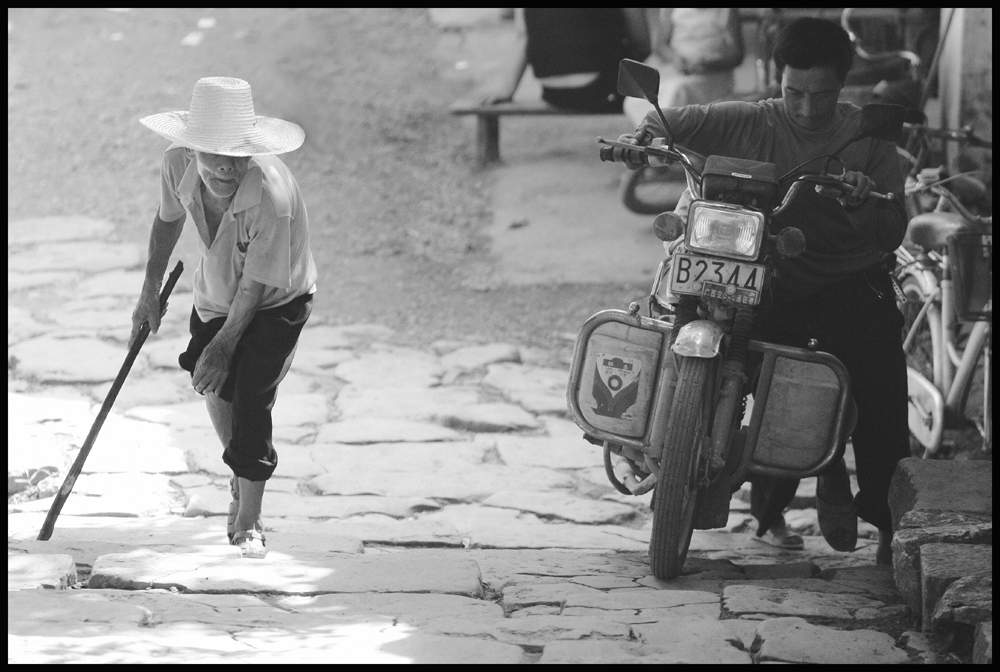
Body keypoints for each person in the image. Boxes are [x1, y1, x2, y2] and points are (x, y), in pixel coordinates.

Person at [621, 18, 909, 564]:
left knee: (880, 391)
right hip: (761, 282)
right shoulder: (751, 119)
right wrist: (646, 138)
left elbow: (895, 226)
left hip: (844, 284)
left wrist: (863, 201)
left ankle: (887, 521)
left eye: (821, 95)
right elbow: (672, 121)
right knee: (738, 362)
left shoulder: (866, 136)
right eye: (793, 92)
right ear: (778, 79)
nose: (805, 107)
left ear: (843, 84)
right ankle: (752, 497)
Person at [132, 77, 317, 559]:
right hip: (217, 291)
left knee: (252, 395)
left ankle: (249, 522)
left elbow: (256, 289)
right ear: (192, 148)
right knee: (212, 380)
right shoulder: (177, 164)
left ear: (251, 155)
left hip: (279, 297)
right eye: (211, 153)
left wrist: (224, 345)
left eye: (236, 155)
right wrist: (148, 291)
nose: (224, 166)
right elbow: (167, 218)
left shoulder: (271, 197)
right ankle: (239, 475)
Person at [477, 8, 650, 113]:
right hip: (600, 91)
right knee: (658, 63)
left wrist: (507, 90)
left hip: (554, 93)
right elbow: (641, 41)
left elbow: (523, 37)